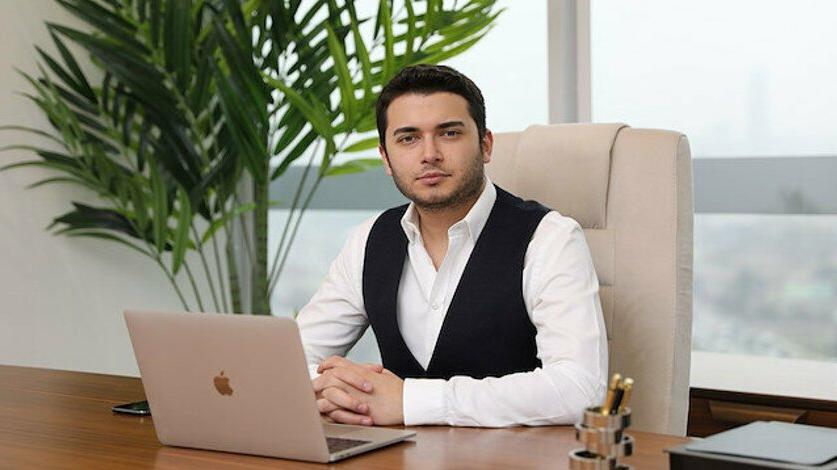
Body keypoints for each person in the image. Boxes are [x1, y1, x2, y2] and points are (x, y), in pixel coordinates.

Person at [296, 64, 607, 427]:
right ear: (385, 158)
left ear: (485, 145)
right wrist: (344, 390)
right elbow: (292, 358)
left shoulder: (550, 238)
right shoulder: (368, 240)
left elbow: (579, 388)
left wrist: (410, 400)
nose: (429, 154)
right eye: (408, 138)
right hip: (396, 453)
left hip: (516, 454)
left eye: (449, 133)